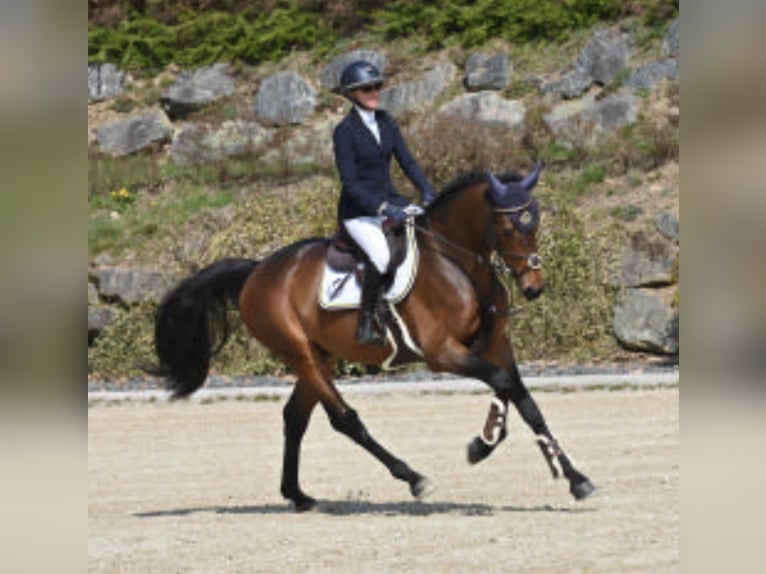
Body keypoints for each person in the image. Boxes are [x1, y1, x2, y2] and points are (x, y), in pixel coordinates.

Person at [333, 60, 435, 346]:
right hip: (359, 213)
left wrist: (427, 190)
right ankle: (366, 323)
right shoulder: (345, 131)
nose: (375, 91)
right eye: (368, 88)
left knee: (427, 237)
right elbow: (350, 183)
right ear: (352, 94)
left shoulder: (387, 121)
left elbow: (408, 161)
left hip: (391, 201)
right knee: (381, 257)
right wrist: (381, 208)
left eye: (378, 86)